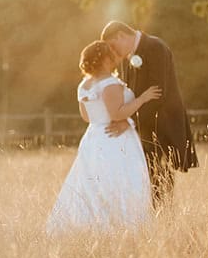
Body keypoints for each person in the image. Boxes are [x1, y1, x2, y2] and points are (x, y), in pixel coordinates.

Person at [45, 40, 159, 232]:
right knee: (122, 179)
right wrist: (142, 99)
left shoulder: (85, 84)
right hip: (116, 139)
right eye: (110, 54)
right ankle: (121, 226)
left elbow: (86, 116)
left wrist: (105, 119)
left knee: (94, 182)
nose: (114, 57)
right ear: (105, 59)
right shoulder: (110, 83)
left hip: (95, 136)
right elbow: (117, 113)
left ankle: (91, 225)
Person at [100, 20, 198, 205]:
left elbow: (158, 95)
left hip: (162, 124)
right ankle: (151, 218)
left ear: (121, 36)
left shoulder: (155, 47)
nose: (114, 52)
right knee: (145, 176)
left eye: (113, 46)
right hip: (142, 126)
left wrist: (129, 121)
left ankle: (163, 218)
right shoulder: (129, 57)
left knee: (159, 177)